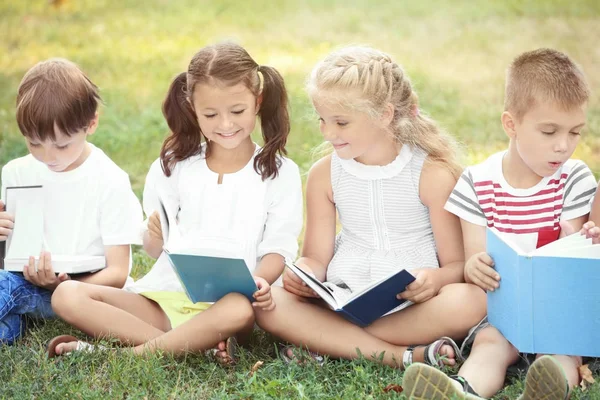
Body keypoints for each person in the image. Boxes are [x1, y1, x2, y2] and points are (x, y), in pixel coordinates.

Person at [47, 43, 303, 362]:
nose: (225, 124)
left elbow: (279, 245)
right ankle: (190, 346)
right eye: (210, 114)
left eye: (237, 111)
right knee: (67, 294)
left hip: (229, 309)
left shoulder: (278, 172)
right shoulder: (175, 166)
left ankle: (128, 356)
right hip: (164, 299)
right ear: (192, 109)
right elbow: (155, 250)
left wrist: (260, 281)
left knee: (236, 308)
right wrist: (154, 237)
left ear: (258, 102)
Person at [255, 46, 486, 369]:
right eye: (322, 120)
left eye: (341, 122)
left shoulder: (431, 173)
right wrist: (304, 277)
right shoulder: (324, 175)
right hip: (343, 294)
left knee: (470, 301)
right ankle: (405, 356)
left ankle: (331, 341)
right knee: (270, 302)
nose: (328, 132)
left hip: (411, 304)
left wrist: (433, 281)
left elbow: (457, 266)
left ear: (385, 115)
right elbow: (315, 258)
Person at [403, 48, 598, 400]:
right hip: (503, 312)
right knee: (490, 343)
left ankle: (545, 390)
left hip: (558, 309)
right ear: (511, 124)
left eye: (574, 133)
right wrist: (477, 266)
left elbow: (574, 240)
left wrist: (582, 237)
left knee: (560, 354)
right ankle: (463, 391)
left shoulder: (575, 178)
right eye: (549, 131)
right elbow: (474, 260)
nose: (563, 146)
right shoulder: (477, 183)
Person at [0, 58, 142, 344]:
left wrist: (62, 286)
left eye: (62, 145)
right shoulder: (15, 172)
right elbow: (7, 257)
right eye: (34, 143)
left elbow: (118, 272)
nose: (48, 156)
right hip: (24, 283)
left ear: (91, 124)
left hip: (84, 293)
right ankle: (14, 324)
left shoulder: (109, 179)